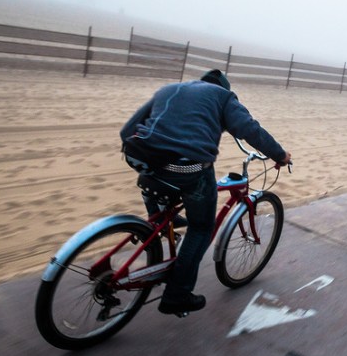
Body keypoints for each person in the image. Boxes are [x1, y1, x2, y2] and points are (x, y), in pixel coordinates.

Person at [120, 69, 291, 316]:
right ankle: (177, 295)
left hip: (145, 162)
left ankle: (157, 220)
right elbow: (249, 129)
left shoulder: (170, 89)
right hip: (187, 168)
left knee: (164, 179)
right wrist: (280, 154)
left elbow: (127, 131)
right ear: (224, 87)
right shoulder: (224, 96)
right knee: (201, 227)